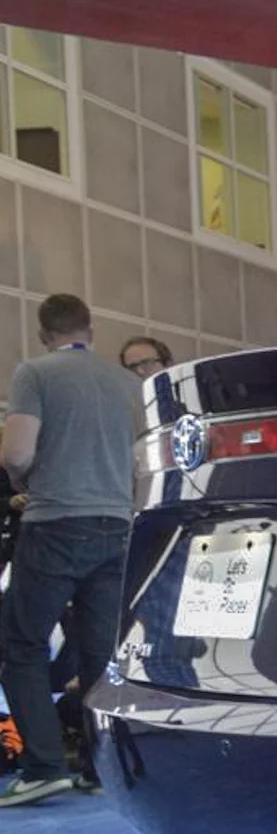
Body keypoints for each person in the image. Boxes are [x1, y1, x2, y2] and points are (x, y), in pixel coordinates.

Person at [0, 294, 141, 806]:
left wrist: (22, 480)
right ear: (90, 329)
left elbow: (16, 450)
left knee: (21, 644)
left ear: (44, 334)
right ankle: (100, 767)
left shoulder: (34, 373)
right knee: (101, 653)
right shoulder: (125, 383)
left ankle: (42, 766)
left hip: (56, 524)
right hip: (116, 526)